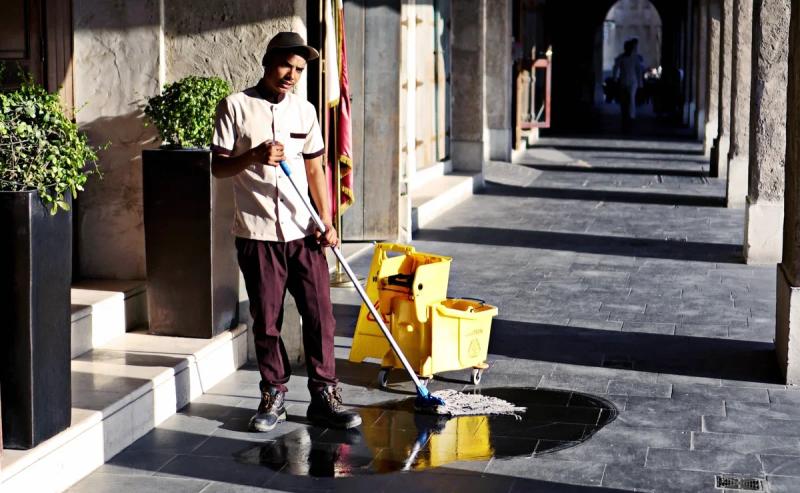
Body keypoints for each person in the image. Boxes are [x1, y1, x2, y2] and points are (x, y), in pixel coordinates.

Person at [210, 32, 361, 432]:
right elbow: (218, 167)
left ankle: (325, 395)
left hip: (304, 230)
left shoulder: (305, 111)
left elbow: (316, 169)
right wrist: (254, 156)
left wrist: (327, 221)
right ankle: (273, 395)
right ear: (267, 61)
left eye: (298, 70)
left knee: (320, 316)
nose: (291, 75)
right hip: (258, 232)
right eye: (285, 66)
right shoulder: (235, 107)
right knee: (268, 320)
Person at [612, 38, 644, 130]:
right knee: (624, 100)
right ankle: (625, 115)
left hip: (633, 82)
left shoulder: (635, 58)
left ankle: (631, 116)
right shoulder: (621, 58)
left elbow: (638, 70)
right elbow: (615, 68)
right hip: (623, 81)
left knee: (631, 99)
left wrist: (640, 82)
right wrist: (614, 78)